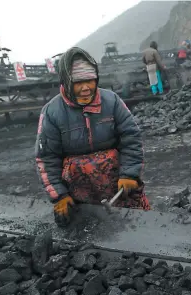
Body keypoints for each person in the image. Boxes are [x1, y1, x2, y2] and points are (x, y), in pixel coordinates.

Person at [35, 47, 150, 227]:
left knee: (136, 223)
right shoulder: (52, 112)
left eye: (90, 80)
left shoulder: (111, 101)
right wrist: (59, 195)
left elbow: (131, 138)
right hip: (79, 188)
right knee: (85, 226)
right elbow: (46, 157)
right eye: (78, 82)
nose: (86, 87)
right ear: (66, 81)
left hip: (117, 183)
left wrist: (129, 174)